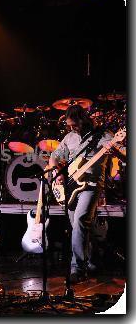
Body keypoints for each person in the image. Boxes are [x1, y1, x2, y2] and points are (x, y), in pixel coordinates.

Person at [49, 105, 124, 284]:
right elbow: (54, 156)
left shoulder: (106, 135)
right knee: (81, 227)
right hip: (70, 186)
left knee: (80, 221)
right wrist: (55, 173)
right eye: (69, 126)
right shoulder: (69, 137)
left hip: (91, 185)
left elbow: (126, 155)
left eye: (74, 125)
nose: (72, 128)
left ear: (83, 118)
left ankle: (77, 268)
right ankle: (93, 261)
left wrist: (115, 150)